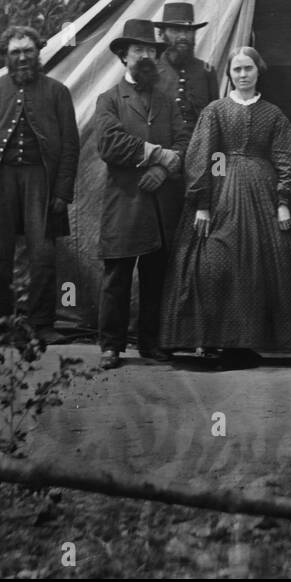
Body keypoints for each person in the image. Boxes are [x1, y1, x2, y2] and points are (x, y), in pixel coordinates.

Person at [159, 47, 291, 362]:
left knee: (268, 263)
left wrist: (283, 201)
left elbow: (290, 159)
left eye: (248, 69)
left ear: (259, 71)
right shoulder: (215, 110)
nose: (243, 75)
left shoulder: (272, 113)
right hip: (220, 191)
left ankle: (249, 341)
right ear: (229, 73)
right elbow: (202, 157)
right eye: (237, 70)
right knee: (213, 262)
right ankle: (213, 338)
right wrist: (202, 203)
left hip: (263, 193)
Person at [0, 25, 80, 348]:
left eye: (28, 51)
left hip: (40, 182)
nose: (22, 58)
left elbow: (71, 146)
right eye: (15, 52)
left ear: (38, 53)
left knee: (43, 254)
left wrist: (61, 192)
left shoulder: (57, 92)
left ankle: (42, 324)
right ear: (6, 57)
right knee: (0, 255)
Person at [94, 19, 190, 370]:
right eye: (138, 50)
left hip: (161, 204)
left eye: (151, 50)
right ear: (123, 56)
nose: (146, 56)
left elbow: (184, 142)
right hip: (125, 203)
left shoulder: (167, 101)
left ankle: (151, 342)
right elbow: (109, 143)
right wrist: (155, 153)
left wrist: (164, 168)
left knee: (156, 277)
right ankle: (111, 346)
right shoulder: (109, 100)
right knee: (117, 277)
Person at [154, 1, 219, 134]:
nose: (183, 37)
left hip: (199, 148)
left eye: (188, 31)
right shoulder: (150, 73)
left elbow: (215, 119)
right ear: (161, 34)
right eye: (176, 30)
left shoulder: (206, 71)